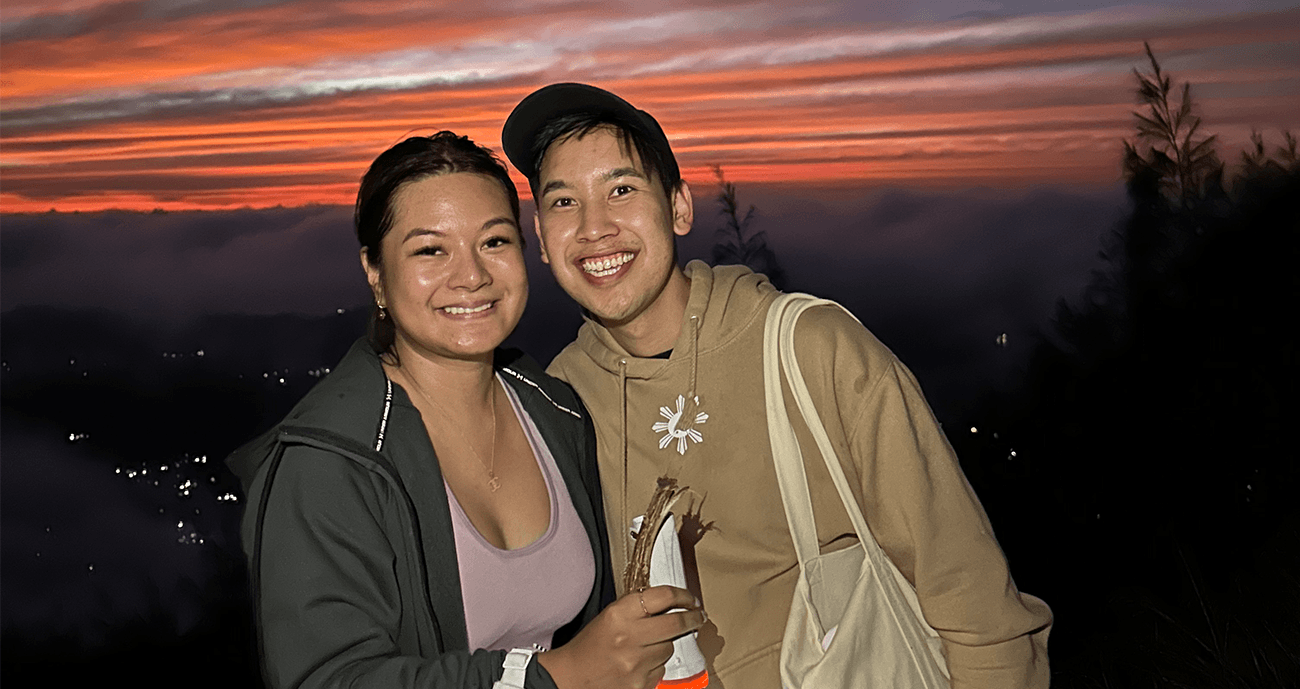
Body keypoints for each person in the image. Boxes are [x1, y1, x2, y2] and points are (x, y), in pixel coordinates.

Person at [501, 84, 1053, 689]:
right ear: (542, 238)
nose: (594, 227)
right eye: (564, 202)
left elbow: (974, 600)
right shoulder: (557, 401)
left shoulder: (810, 350)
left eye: (622, 190)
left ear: (679, 208)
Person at [226, 131, 704, 689]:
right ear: (375, 272)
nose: (472, 276)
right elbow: (326, 679)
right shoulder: (330, 463)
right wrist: (554, 676)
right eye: (431, 250)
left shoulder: (556, 412)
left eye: (494, 241)